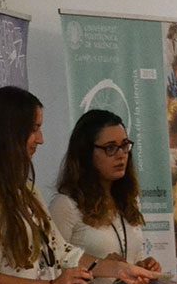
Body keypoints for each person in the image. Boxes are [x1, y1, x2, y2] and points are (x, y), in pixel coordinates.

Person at [0, 87, 155, 284]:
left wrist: (118, 269)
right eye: (34, 129)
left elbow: (63, 253)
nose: (41, 139)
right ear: (10, 132)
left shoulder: (27, 191)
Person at [49, 109, 162, 273]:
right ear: (86, 153)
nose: (121, 155)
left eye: (124, 145)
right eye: (110, 148)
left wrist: (141, 266)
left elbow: (133, 257)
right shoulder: (65, 204)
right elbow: (51, 268)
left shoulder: (130, 199)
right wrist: (101, 267)